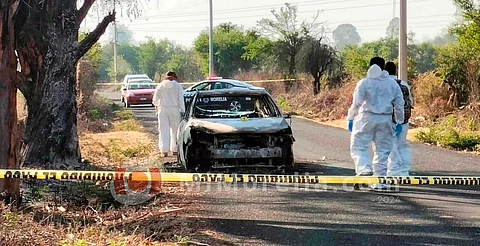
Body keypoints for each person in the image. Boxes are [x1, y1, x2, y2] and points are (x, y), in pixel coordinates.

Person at [346, 57, 405, 190]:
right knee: (382, 151)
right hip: (385, 119)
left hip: (366, 118)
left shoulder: (364, 82)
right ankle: (379, 182)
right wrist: (399, 121)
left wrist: (350, 117)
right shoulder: (392, 83)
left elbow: (357, 103)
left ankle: (364, 169)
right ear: (383, 67)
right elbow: (399, 104)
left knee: (359, 146)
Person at [384, 61, 414, 177]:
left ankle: (392, 171)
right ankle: (404, 171)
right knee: (402, 144)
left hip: (388, 119)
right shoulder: (404, 84)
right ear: (395, 71)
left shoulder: (385, 84)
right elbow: (410, 101)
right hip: (404, 119)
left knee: (390, 145)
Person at [152, 71, 185, 157]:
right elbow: (181, 99)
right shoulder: (178, 86)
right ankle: (175, 149)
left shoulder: (160, 85)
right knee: (175, 130)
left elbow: (155, 100)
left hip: (162, 109)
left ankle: (164, 150)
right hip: (174, 109)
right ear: (174, 77)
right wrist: (182, 110)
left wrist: (157, 105)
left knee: (163, 130)